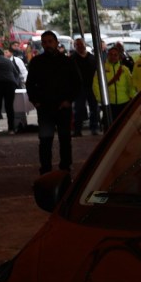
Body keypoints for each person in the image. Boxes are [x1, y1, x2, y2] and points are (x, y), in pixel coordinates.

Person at [26, 30, 82, 174]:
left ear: (57, 43)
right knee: (45, 140)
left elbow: (76, 83)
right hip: (44, 108)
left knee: (65, 139)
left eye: (50, 41)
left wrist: (69, 100)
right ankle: (45, 169)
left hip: (63, 107)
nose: (47, 44)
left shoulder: (67, 61)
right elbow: (30, 84)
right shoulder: (37, 62)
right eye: (44, 42)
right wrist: (36, 101)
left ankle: (65, 167)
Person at [93, 45, 135, 122]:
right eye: (111, 54)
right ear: (108, 55)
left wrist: (132, 96)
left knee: (122, 126)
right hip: (109, 103)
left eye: (115, 55)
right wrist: (100, 99)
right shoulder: (101, 69)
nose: (113, 57)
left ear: (119, 57)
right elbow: (96, 85)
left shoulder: (124, 70)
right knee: (109, 125)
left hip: (124, 103)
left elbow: (130, 84)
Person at [70, 37, 100, 136]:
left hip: (92, 87)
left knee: (94, 108)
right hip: (79, 88)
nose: (80, 46)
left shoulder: (93, 58)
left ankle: (94, 128)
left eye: (81, 44)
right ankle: (77, 130)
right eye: (77, 45)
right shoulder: (72, 59)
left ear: (85, 44)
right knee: (78, 109)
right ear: (74, 46)